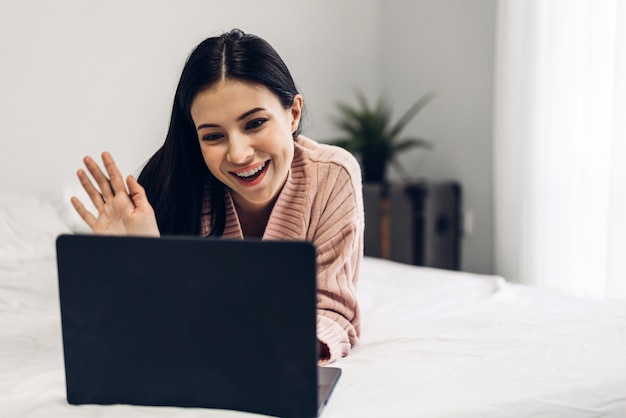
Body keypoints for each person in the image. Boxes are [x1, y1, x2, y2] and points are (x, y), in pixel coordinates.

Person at [71, 29, 364, 364]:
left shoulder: (332, 175)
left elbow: (332, 313)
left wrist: (255, 350)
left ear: (293, 113)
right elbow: (140, 328)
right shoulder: (168, 188)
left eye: (254, 123)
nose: (239, 155)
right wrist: (140, 259)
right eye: (213, 136)